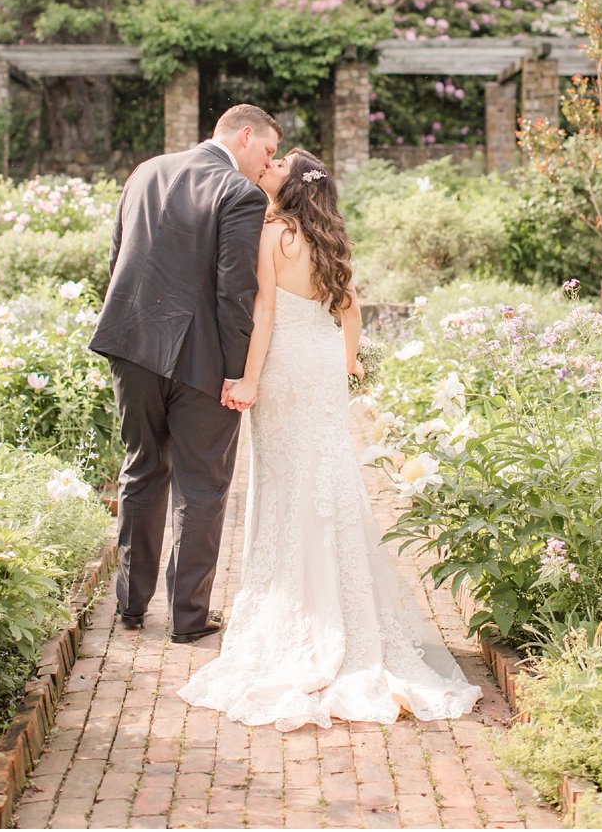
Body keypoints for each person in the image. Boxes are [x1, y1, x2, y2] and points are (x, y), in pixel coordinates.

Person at [178, 148, 481, 729]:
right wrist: (345, 366)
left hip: (287, 364)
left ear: (291, 187)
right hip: (321, 367)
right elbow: (351, 312)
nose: (268, 170)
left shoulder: (276, 235)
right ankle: (345, 609)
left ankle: (300, 610)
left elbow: (264, 313)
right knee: (330, 474)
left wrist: (247, 377)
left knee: (284, 479)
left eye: (277, 167)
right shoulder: (328, 238)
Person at [90, 103, 278, 645]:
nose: (267, 165)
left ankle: (129, 605)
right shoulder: (239, 193)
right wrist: (240, 372)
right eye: (266, 152)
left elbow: (118, 258)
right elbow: (234, 291)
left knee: (141, 469)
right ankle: (187, 619)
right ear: (245, 136)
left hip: (132, 348)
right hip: (202, 363)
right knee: (202, 487)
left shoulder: (146, 170)